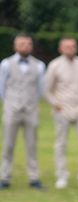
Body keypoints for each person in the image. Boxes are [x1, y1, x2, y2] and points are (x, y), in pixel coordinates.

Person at [45, 37, 78, 189]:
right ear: (61, 48)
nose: (70, 49)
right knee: (61, 144)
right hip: (62, 109)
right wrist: (55, 104)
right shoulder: (54, 65)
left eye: (73, 46)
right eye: (67, 46)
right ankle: (62, 176)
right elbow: (47, 90)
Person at [0, 33, 45, 190]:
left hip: (31, 110)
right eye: (22, 44)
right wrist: (10, 103)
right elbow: (2, 88)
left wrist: (31, 103)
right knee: (8, 145)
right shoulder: (6, 64)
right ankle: (4, 177)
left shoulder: (39, 65)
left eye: (28, 44)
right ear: (15, 46)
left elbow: (40, 89)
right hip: (12, 109)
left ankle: (34, 178)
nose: (25, 46)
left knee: (32, 145)